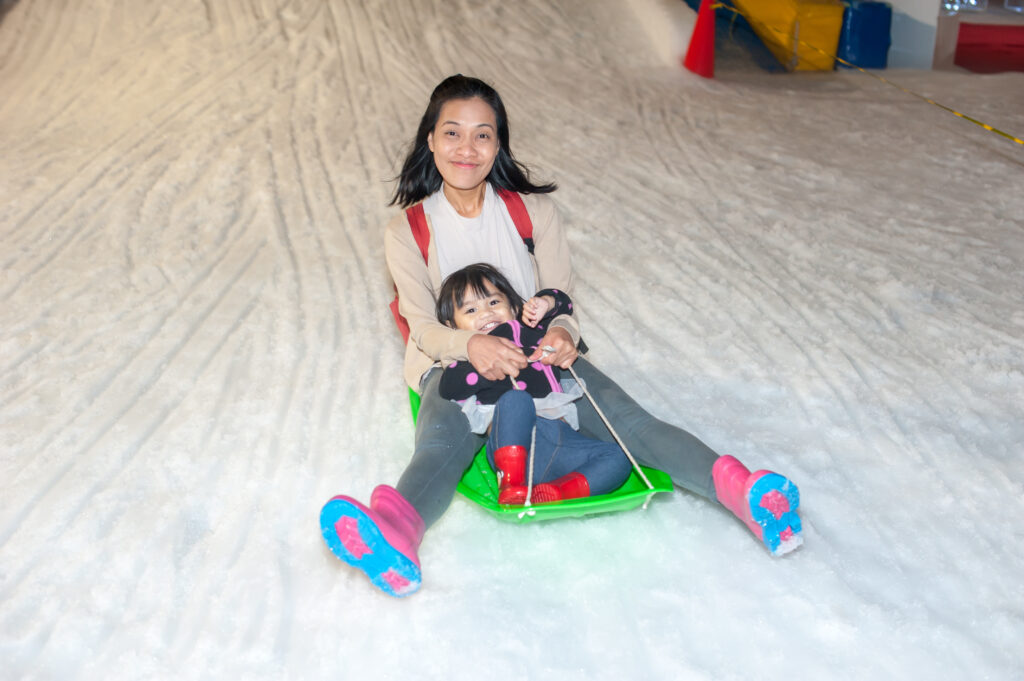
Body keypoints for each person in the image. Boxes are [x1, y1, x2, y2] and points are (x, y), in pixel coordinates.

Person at [319, 74, 802, 598]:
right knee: (440, 447)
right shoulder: (409, 230)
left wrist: (564, 335)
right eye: (452, 133)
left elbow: (560, 299)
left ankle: (746, 494)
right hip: (456, 362)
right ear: (430, 140)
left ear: (499, 143)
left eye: (483, 134)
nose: (467, 148)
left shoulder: (534, 213)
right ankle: (394, 535)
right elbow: (424, 328)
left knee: (632, 424)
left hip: (538, 360)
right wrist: (473, 346)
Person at [435, 262, 632, 505]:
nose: (486, 313)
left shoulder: (536, 336)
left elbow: (565, 305)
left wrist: (545, 303)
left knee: (619, 458)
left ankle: (557, 491)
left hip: (562, 442)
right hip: (513, 446)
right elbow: (448, 387)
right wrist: (483, 366)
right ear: (453, 327)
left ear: (513, 305)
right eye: (471, 311)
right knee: (517, 400)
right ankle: (512, 482)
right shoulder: (471, 359)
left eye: (494, 302)